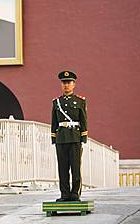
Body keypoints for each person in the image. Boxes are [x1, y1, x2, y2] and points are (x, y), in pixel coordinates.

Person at [51, 71, 88, 202]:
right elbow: (54, 121)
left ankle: (75, 193)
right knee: (63, 167)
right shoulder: (56, 102)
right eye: (64, 83)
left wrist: (83, 137)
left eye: (68, 82)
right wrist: (54, 138)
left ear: (74, 84)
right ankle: (64, 194)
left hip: (75, 137)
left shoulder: (80, 101)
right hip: (61, 137)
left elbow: (83, 120)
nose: (66, 85)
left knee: (75, 167)